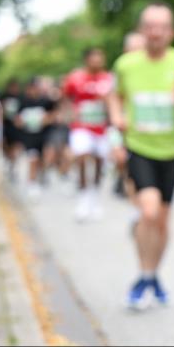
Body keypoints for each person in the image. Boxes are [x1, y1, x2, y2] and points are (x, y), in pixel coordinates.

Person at [108, 3, 174, 309]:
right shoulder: (126, 64)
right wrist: (117, 123)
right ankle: (143, 273)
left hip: (172, 150)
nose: (155, 32)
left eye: (162, 26)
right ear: (142, 30)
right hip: (139, 147)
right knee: (149, 212)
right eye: (150, 26)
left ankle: (151, 275)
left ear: (171, 32)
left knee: (163, 222)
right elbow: (113, 95)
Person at [64, 47, 115, 222]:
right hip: (81, 127)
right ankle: (84, 197)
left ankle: (95, 196)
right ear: (87, 59)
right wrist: (69, 115)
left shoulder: (109, 79)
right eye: (94, 57)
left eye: (100, 57)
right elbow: (66, 99)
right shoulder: (75, 78)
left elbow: (116, 101)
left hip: (101, 128)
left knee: (100, 163)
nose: (98, 61)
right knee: (82, 156)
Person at [110, 31, 146, 199]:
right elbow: (113, 97)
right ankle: (121, 178)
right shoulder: (121, 68)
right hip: (123, 125)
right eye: (134, 49)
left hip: (144, 130)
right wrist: (117, 117)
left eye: (141, 49)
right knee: (121, 158)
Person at [14, 77, 57, 199]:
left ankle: (43, 175)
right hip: (29, 136)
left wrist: (46, 119)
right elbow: (17, 119)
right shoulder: (22, 102)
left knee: (45, 158)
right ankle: (32, 184)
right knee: (33, 159)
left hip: (44, 135)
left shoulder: (46, 101)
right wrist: (22, 122)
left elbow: (54, 115)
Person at [0, 79, 23, 182]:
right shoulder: (3, 97)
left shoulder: (21, 98)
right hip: (5, 125)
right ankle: (8, 160)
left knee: (16, 147)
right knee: (5, 145)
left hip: (16, 127)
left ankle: (13, 166)